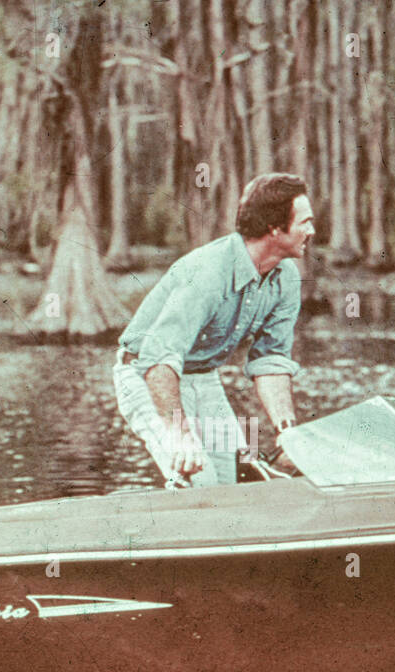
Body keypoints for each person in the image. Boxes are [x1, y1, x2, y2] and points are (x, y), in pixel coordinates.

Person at [113, 173, 314, 486]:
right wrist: (179, 435)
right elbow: (158, 359)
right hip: (146, 373)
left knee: (232, 481)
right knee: (197, 479)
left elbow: (271, 361)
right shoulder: (208, 272)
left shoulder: (286, 276)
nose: (311, 231)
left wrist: (286, 430)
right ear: (275, 227)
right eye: (304, 222)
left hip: (203, 378)